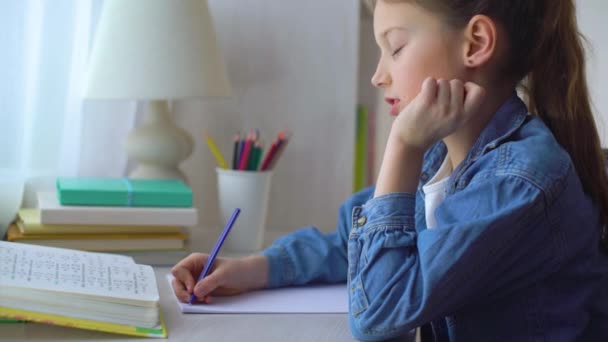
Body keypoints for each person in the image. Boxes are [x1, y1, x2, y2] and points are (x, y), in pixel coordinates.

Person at [171, 0, 608, 340]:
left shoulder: (521, 181)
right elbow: (350, 238)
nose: (379, 75)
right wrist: (253, 269)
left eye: (395, 47)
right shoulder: (442, 158)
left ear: (475, 43)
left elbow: (378, 315)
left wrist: (402, 146)